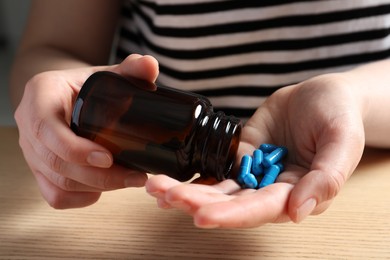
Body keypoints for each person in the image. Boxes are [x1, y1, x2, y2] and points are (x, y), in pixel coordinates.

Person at [9, 0, 390, 228]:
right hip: (132, 214)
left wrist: (354, 99)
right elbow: (50, 48)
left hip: (368, 185)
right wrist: (51, 103)